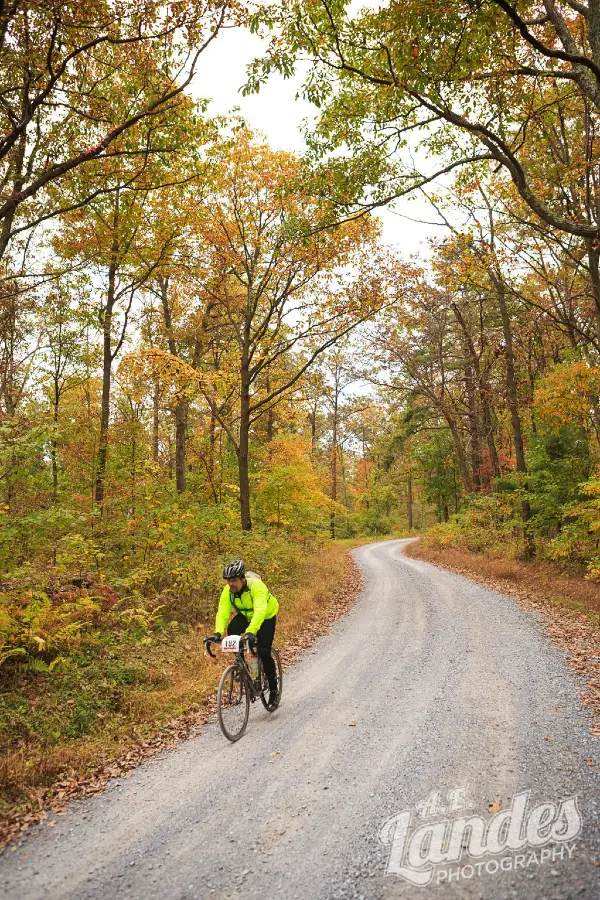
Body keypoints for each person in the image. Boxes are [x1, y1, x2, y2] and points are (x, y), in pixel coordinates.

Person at [206, 560, 280, 709]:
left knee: (263, 651)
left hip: (266, 615)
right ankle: (242, 666)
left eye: (234, 580)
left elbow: (260, 610)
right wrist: (217, 632)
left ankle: (273, 690)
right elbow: (223, 612)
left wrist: (251, 631)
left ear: (242, 579)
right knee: (232, 630)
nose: (231, 584)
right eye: (228, 581)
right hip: (247, 615)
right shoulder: (228, 591)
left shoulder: (256, 587)